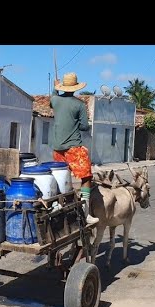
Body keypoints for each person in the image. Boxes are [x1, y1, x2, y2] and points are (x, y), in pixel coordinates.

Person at [50, 72, 98, 224]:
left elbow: (52, 99)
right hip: (73, 148)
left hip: (57, 149)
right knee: (86, 177)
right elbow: (84, 126)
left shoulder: (55, 99)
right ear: (76, 88)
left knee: (62, 177)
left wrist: (55, 88)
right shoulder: (79, 104)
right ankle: (85, 213)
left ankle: (59, 205)